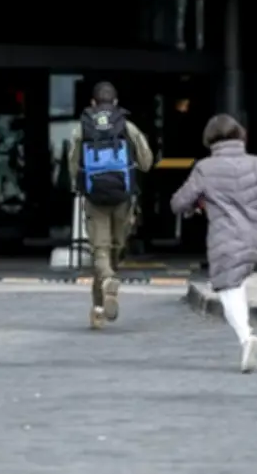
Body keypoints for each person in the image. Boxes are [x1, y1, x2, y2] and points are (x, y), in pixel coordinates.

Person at [171, 114, 257, 373]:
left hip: (225, 238)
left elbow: (178, 203)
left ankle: (246, 338)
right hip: (256, 237)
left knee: (228, 287)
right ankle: (247, 337)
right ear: (240, 135)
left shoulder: (205, 168)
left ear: (210, 140)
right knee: (237, 282)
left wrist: (196, 205)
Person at [69, 81, 154, 329]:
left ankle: (104, 290)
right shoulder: (127, 127)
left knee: (100, 249)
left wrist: (79, 185)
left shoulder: (82, 129)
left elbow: (73, 164)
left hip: (95, 196)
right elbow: (146, 161)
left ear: (92, 103)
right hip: (123, 197)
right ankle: (101, 300)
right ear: (115, 103)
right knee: (115, 248)